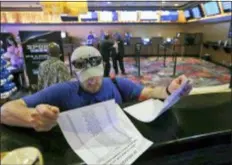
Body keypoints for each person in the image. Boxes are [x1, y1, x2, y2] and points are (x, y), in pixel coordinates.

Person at [0, 46, 192, 132]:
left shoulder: (116, 83)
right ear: (75, 75)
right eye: (86, 78)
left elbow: (148, 93)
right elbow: (5, 110)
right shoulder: (62, 91)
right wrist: (34, 118)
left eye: (96, 75)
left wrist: (169, 90)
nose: (93, 82)